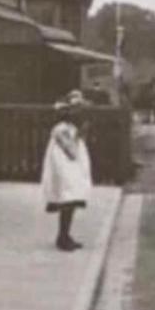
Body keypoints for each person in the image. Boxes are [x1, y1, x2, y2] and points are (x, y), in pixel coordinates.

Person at [41, 92, 93, 251]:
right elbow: (71, 151)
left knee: (71, 199)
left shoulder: (70, 128)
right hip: (64, 167)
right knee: (67, 199)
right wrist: (79, 134)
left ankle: (65, 234)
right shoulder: (61, 129)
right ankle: (62, 237)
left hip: (71, 167)